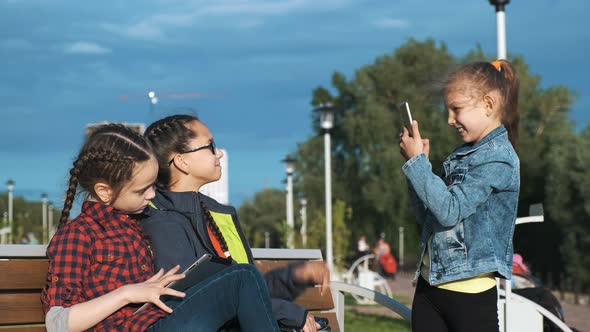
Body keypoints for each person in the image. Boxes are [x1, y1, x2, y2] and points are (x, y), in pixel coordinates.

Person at [41, 124, 279, 332]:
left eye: (152, 185)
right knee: (243, 277)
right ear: (104, 191)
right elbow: (58, 323)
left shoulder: (136, 223)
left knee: (240, 274)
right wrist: (126, 294)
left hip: (161, 319)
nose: (152, 194)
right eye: (141, 190)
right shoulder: (77, 234)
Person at [142, 114, 329, 332]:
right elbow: (196, 295)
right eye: (210, 146)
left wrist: (294, 278)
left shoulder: (217, 214)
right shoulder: (159, 219)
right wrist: (288, 313)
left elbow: (249, 285)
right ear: (182, 161)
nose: (219, 153)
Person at [400, 59, 520, 332]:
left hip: (470, 294)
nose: (450, 120)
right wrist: (419, 170)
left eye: (456, 109)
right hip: (431, 287)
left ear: (488, 105)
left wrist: (417, 164)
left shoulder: (499, 159)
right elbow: (428, 217)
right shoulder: (460, 155)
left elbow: (450, 211)